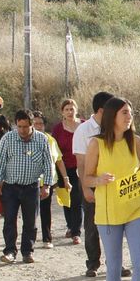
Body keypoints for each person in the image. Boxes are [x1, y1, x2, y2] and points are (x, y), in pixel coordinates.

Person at [81, 97, 140, 281]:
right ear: (112, 116)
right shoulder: (96, 144)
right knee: (114, 265)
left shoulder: (137, 141)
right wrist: (98, 180)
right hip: (109, 212)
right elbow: (86, 178)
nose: (129, 116)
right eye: (124, 112)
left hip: (136, 209)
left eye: (130, 112)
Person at [0, 110, 54, 263]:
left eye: (25, 127)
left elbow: (48, 164)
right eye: (19, 126)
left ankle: (27, 252)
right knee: (9, 220)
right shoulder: (8, 138)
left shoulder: (41, 139)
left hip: (31, 187)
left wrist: (46, 185)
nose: (22, 130)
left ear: (32, 125)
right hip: (10, 187)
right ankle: (10, 251)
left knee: (30, 222)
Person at [73, 91, 114, 278]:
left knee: (114, 224)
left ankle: (115, 262)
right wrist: (86, 187)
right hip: (91, 182)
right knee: (91, 225)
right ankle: (93, 263)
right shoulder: (83, 130)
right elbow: (81, 163)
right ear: (101, 110)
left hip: (111, 182)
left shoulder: (114, 128)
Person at [30, 110, 70, 246]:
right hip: (31, 181)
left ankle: (47, 238)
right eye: (35, 123)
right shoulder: (26, 140)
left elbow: (59, 160)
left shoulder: (51, 140)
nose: (38, 126)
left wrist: (65, 178)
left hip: (47, 181)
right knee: (31, 211)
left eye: (40, 123)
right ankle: (30, 238)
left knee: (46, 210)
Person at [51, 98, 86, 243]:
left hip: (80, 167)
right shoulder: (58, 129)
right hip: (63, 168)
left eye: (72, 109)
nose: (70, 112)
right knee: (66, 199)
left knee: (77, 199)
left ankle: (76, 232)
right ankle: (70, 226)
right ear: (62, 112)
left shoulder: (84, 125)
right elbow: (54, 149)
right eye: (67, 110)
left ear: (76, 110)